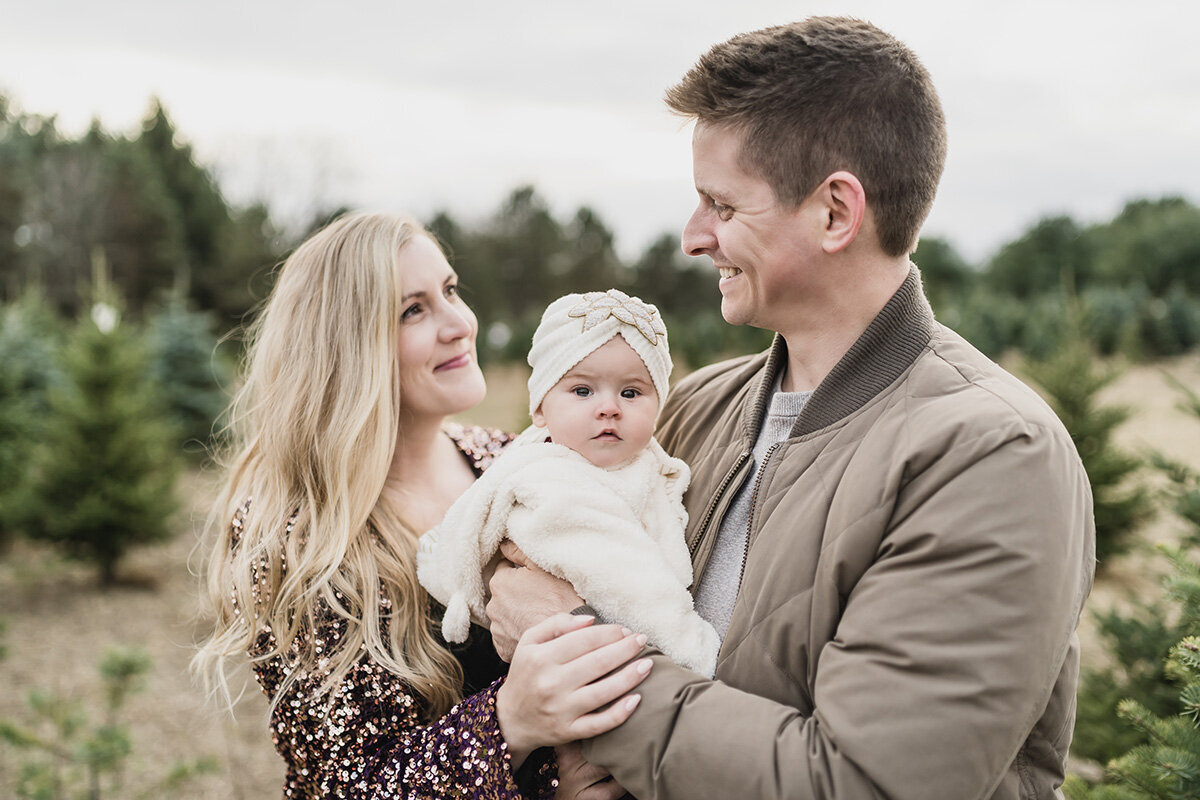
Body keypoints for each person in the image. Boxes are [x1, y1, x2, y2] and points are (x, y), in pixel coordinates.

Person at [486, 17, 1096, 799]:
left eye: (722, 205)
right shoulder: (687, 411)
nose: (692, 236)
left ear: (836, 213)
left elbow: (862, 785)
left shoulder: (992, 456)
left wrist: (577, 658)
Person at [192, 212, 651, 800]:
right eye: (414, 309)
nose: (459, 323)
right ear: (347, 348)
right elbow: (343, 785)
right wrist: (511, 723)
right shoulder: (295, 538)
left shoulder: (509, 462)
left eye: (451, 291)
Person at [418, 289, 720, 677]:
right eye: (582, 391)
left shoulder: (650, 467)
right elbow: (627, 584)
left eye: (631, 392)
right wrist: (695, 653)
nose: (609, 407)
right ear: (541, 409)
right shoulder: (549, 483)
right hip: (607, 661)